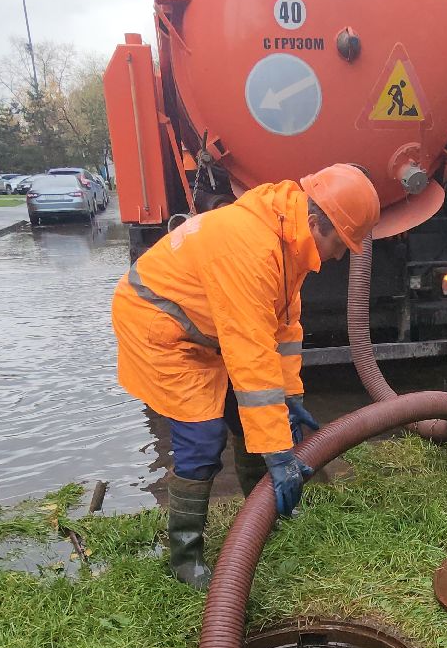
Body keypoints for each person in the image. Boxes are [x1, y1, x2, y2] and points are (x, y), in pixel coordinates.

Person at [111, 164, 382, 591]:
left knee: (247, 417)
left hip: (207, 325)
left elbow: (286, 328)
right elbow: (251, 355)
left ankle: (263, 515)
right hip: (161, 327)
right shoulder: (251, 249)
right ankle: (185, 557)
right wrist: (278, 451)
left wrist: (290, 395)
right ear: (314, 223)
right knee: (202, 439)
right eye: (340, 243)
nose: (340, 255)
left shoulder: (287, 235)